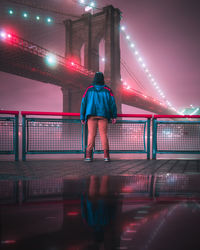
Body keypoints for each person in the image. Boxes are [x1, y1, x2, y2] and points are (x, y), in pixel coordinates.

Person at [80, 72, 117, 162]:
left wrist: (82, 116)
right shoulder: (108, 90)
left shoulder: (89, 89)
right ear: (103, 79)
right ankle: (106, 156)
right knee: (103, 135)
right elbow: (112, 103)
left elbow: (83, 103)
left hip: (91, 114)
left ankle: (88, 156)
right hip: (103, 115)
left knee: (91, 135)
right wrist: (114, 116)